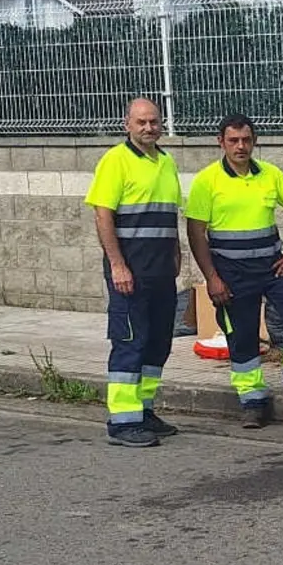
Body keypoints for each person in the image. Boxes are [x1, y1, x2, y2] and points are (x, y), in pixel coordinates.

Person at [185, 114, 283, 429]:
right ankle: (252, 400)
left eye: (246, 140)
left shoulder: (270, 174)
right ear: (221, 142)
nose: (241, 146)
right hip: (231, 272)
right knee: (242, 334)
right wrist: (212, 278)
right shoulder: (207, 180)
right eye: (233, 140)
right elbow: (196, 232)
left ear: (254, 141)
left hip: (273, 265)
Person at [83, 97, 182, 447]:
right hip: (130, 273)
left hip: (161, 273)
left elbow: (168, 215)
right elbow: (103, 216)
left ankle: (143, 410)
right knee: (130, 343)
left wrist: (176, 252)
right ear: (127, 125)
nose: (148, 128)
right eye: (141, 122)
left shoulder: (166, 162)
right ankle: (123, 422)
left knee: (158, 344)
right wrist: (117, 264)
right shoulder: (116, 160)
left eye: (154, 121)